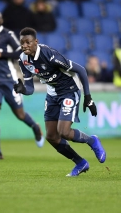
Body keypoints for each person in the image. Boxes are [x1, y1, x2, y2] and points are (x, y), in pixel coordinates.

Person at [14, 27, 106, 176]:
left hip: (69, 91)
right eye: (22, 43)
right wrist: (22, 89)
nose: (24, 45)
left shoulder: (50, 55)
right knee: (51, 136)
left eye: (28, 42)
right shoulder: (23, 60)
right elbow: (30, 89)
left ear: (35, 42)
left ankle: (92, 140)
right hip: (52, 95)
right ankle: (81, 163)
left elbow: (81, 70)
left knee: (64, 132)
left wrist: (88, 97)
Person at [0, 11, 45, 160]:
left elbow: (19, 52)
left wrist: (1, 54)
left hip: (9, 80)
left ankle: (35, 127)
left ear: (1, 20)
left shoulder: (8, 34)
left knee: (19, 114)